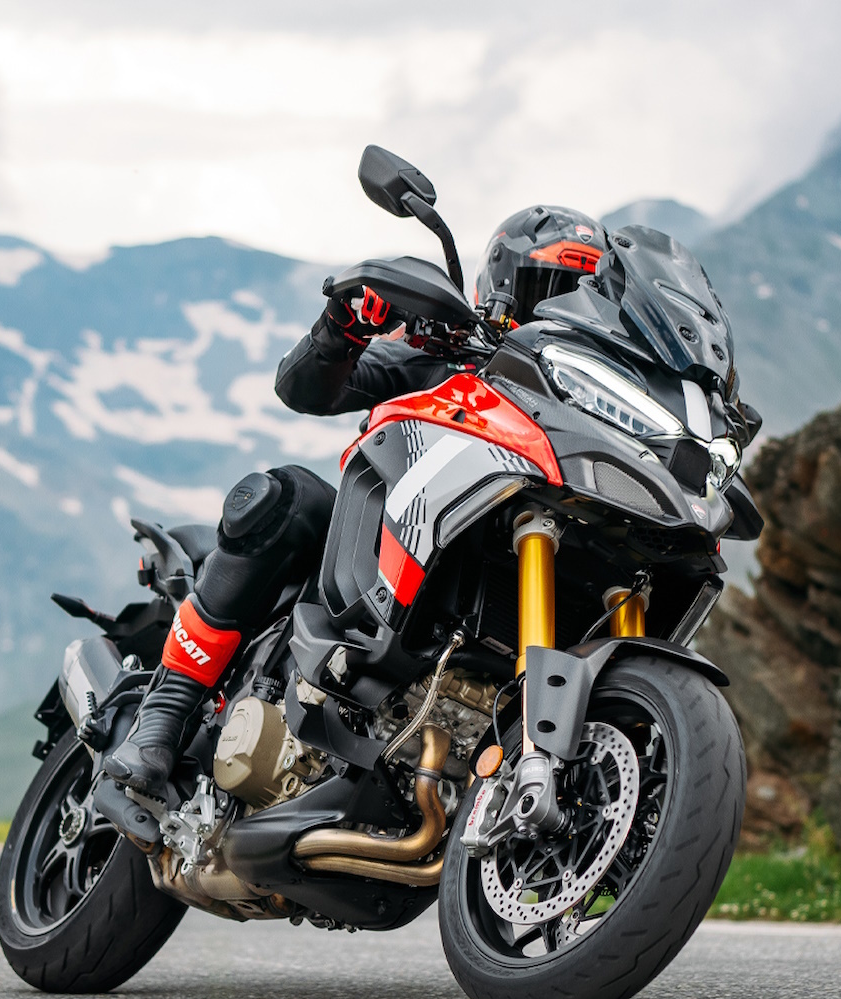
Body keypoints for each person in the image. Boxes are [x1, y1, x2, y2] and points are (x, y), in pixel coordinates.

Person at [103, 205, 610, 793]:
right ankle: (163, 714)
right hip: (379, 558)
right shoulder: (457, 361)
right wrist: (343, 327)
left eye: (582, 295)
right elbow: (303, 388)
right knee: (285, 500)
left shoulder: (594, 412)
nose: (561, 310)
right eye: (550, 289)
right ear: (502, 288)